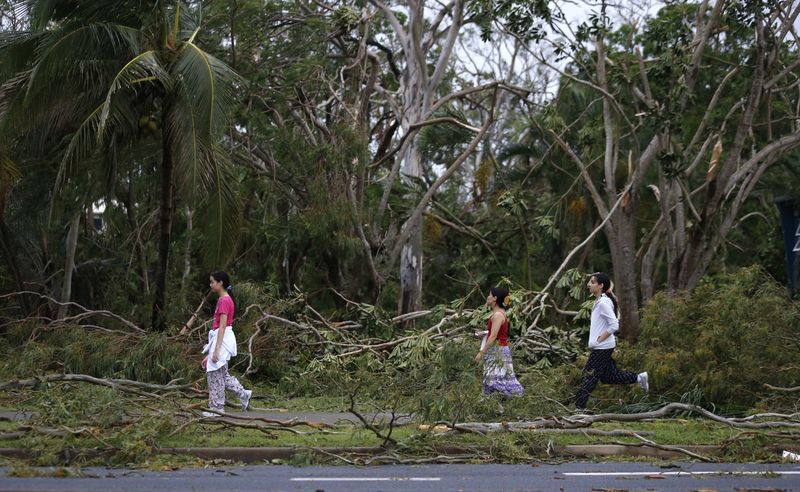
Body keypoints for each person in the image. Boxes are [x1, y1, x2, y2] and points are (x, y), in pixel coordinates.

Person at [574, 272, 648, 411]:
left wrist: (599, 339)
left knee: (588, 377)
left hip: (602, 347)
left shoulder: (603, 303)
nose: (589, 284)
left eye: (592, 282)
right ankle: (639, 378)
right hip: (604, 346)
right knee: (608, 376)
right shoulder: (601, 301)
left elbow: (614, 325)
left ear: (601, 286)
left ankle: (579, 409)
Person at [201, 271, 252, 417]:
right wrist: (210, 352)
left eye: (212, 282)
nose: (210, 284)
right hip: (221, 339)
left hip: (222, 340)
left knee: (214, 374)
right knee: (222, 375)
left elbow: (222, 327)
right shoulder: (225, 299)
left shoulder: (224, 300)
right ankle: (243, 394)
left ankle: (217, 409)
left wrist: (216, 351)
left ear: (220, 283)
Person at [474, 287, 524, 405]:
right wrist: (485, 333)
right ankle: (497, 409)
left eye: (490, 295)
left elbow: (493, 337)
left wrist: (481, 353)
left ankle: (506, 407)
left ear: (495, 298)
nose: (488, 297)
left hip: (498, 351)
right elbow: (494, 334)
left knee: (496, 382)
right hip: (497, 349)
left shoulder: (497, 315)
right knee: (493, 381)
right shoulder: (499, 314)